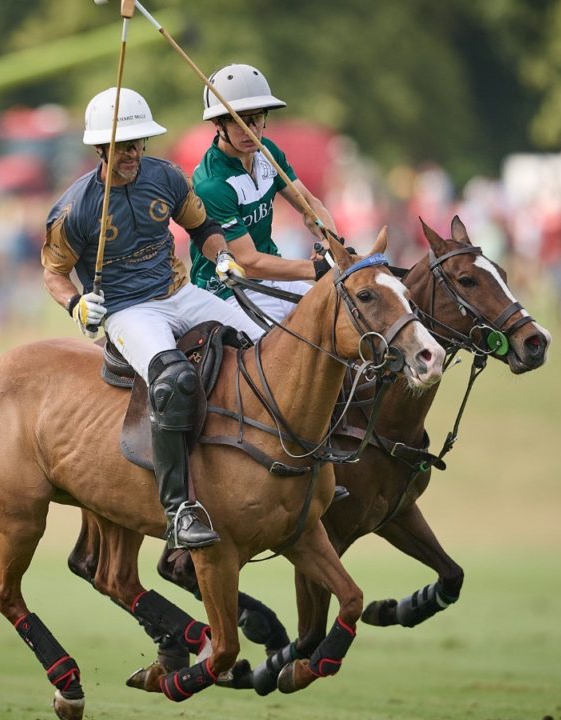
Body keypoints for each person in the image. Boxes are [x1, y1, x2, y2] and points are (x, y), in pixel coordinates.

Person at [41, 87, 267, 550]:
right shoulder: (75, 208)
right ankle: (179, 508)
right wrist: (76, 305)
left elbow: (203, 228)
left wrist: (221, 257)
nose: (132, 153)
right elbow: (55, 272)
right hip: (128, 311)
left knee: (266, 345)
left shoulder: (165, 177)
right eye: (123, 146)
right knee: (173, 381)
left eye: (138, 143)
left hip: (179, 292)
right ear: (100, 148)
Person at [190, 63, 339, 321]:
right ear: (217, 123)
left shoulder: (267, 152)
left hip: (273, 277)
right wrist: (315, 268)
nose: (251, 129)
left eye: (256, 118)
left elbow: (309, 205)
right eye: (239, 121)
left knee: (341, 319)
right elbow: (247, 261)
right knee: (277, 355)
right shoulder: (212, 184)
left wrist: (330, 242)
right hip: (228, 290)